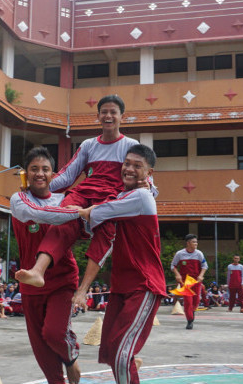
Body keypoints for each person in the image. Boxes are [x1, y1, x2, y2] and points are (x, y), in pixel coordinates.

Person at [73, 143, 166, 384]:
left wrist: (71, 209)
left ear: (148, 172)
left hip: (145, 284)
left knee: (122, 354)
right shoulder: (130, 194)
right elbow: (103, 243)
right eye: (126, 163)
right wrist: (83, 289)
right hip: (122, 286)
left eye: (137, 166)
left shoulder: (139, 198)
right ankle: (131, 365)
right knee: (113, 351)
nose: (128, 168)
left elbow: (95, 214)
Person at [18, 95, 154, 289]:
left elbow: (144, 175)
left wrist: (151, 188)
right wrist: (37, 187)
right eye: (104, 112)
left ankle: (83, 289)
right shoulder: (89, 145)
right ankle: (38, 271)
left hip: (111, 198)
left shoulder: (131, 145)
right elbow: (66, 176)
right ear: (98, 116)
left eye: (113, 112)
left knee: (106, 234)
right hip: (84, 193)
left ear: (122, 116)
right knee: (62, 216)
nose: (108, 116)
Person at [10, 146, 82, 384]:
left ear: (53, 174)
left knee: (53, 333)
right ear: (26, 174)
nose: (39, 174)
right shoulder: (18, 199)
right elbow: (39, 215)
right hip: (30, 281)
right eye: (34, 169)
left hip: (62, 278)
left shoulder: (62, 200)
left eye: (45, 169)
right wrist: (76, 212)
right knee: (40, 346)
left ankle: (71, 356)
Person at [171, 234, 207, 329]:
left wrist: (201, 275)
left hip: (196, 281)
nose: (196, 243)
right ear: (188, 243)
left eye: (196, 242)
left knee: (196, 301)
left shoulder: (199, 254)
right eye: (193, 242)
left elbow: (204, 266)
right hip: (185, 282)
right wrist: (177, 274)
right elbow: (173, 266)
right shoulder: (180, 254)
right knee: (188, 302)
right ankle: (189, 321)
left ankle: (192, 312)